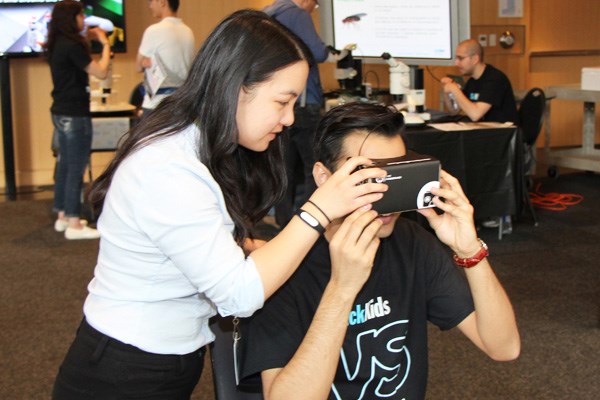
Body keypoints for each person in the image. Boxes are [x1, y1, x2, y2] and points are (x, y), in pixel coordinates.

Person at [51, 10, 388, 399]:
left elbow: (204, 243)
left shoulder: (200, 147)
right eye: (282, 101)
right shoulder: (168, 167)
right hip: (122, 370)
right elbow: (238, 296)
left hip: (163, 359)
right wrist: (317, 210)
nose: (289, 118)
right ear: (237, 88)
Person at [240, 102, 521, 399]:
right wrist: (342, 290)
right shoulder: (283, 266)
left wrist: (469, 250)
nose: (384, 194)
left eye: (396, 175)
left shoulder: (412, 244)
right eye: (365, 178)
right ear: (324, 177)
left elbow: (504, 347)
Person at [46, 0, 112, 240]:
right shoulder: (73, 46)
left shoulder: (56, 44)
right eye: (81, 16)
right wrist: (104, 44)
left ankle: (63, 215)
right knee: (76, 167)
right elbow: (101, 71)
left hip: (60, 111)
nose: (84, 20)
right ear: (71, 19)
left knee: (64, 165)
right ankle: (74, 223)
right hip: (75, 114)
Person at [264, 0, 331, 228]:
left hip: (279, 102)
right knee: (314, 167)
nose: (314, 8)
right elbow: (317, 52)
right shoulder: (297, 15)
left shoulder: (268, 13)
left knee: (285, 166)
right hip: (304, 102)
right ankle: (308, 222)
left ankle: (283, 223)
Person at [136, 0, 195, 116]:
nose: (150, 6)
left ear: (162, 2)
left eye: (151, 1)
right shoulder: (188, 31)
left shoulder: (154, 30)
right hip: (181, 102)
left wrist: (144, 63)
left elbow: (138, 66)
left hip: (156, 104)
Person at [441, 39, 519, 124]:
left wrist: (455, 90)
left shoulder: (494, 79)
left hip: (502, 133)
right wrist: (447, 92)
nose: (456, 63)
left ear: (475, 59)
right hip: (484, 130)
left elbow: (475, 115)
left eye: (460, 58)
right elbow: (454, 111)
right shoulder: (472, 81)